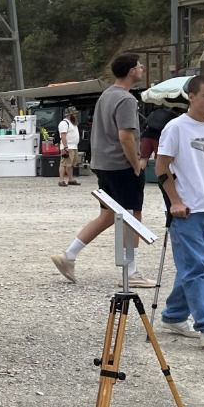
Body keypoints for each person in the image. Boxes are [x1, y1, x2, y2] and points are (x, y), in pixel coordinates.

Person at [51, 53, 152, 287]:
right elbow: (126, 136)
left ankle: (69, 255)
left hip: (104, 164)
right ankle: (132, 272)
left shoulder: (106, 95)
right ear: (130, 71)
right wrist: (136, 164)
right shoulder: (126, 99)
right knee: (132, 215)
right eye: (139, 66)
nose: (142, 68)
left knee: (108, 215)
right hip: (121, 165)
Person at [155, 75, 204, 349]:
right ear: (191, 96)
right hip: (185, 210)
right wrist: (175, 201)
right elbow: (161, 168)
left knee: (199, 267)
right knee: (197, 268)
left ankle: (175, 316)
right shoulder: (175, 128)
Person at [57, 108, 81, 187]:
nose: (75, 115)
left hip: (74, 146)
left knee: (70, 164)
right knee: (64, 164)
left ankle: (70, 179)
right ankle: (61, 180)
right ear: (69, 114)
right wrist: (65, 147)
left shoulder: (73, 123)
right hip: (68, 147)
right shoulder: (64, 123)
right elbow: (63, 135)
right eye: (74, 113)